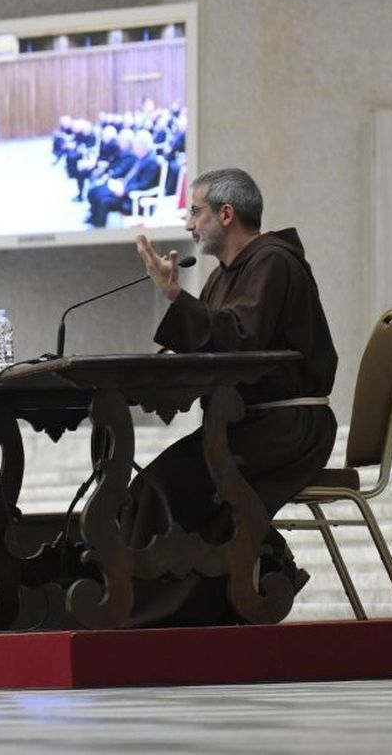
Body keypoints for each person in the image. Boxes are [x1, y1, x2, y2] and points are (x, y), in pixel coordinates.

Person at [129, 168, 337, 625]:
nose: (189, 224)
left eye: (195, 212)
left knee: (167, 482)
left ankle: (157, 615)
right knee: (155, 483)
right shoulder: (223, 277)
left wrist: (174, 296)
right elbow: (213, 346)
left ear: (226, 214)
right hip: (248, 424)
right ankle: (187, 607)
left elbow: (240, 340)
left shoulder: (273, 263)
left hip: (287, 428)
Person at [85, 129, 160, 227]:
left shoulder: (151, 162)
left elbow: (144, 184)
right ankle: (96, 223)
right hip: (126, 191)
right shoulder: (143, 158)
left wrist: (125, 190)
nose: (134, 148)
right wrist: (124, 182)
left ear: (143, 146)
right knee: (96, 192)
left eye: (136, 145)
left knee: (103, 201)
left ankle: (100, 229)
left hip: (134, 200)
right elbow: (133, 177)